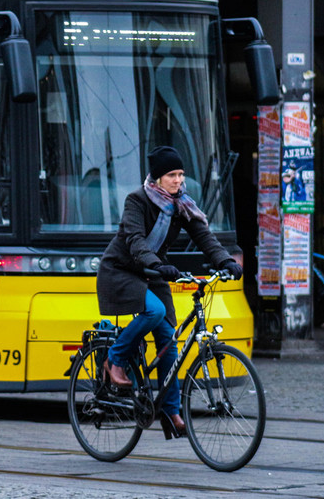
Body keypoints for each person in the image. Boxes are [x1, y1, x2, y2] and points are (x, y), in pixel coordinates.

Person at [96, 146, 242, 438]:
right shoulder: (136, 201)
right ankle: (114, 360)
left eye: (181, 175)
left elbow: (204, 237)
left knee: (169, 341)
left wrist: (225, 261)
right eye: (171, 175)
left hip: (152, 273)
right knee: (155, 310)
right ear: (158, 178)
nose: (178, 180)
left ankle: (170, 411)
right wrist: (156, 263)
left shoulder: (182, 205)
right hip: (121, 270)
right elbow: (135, 239)